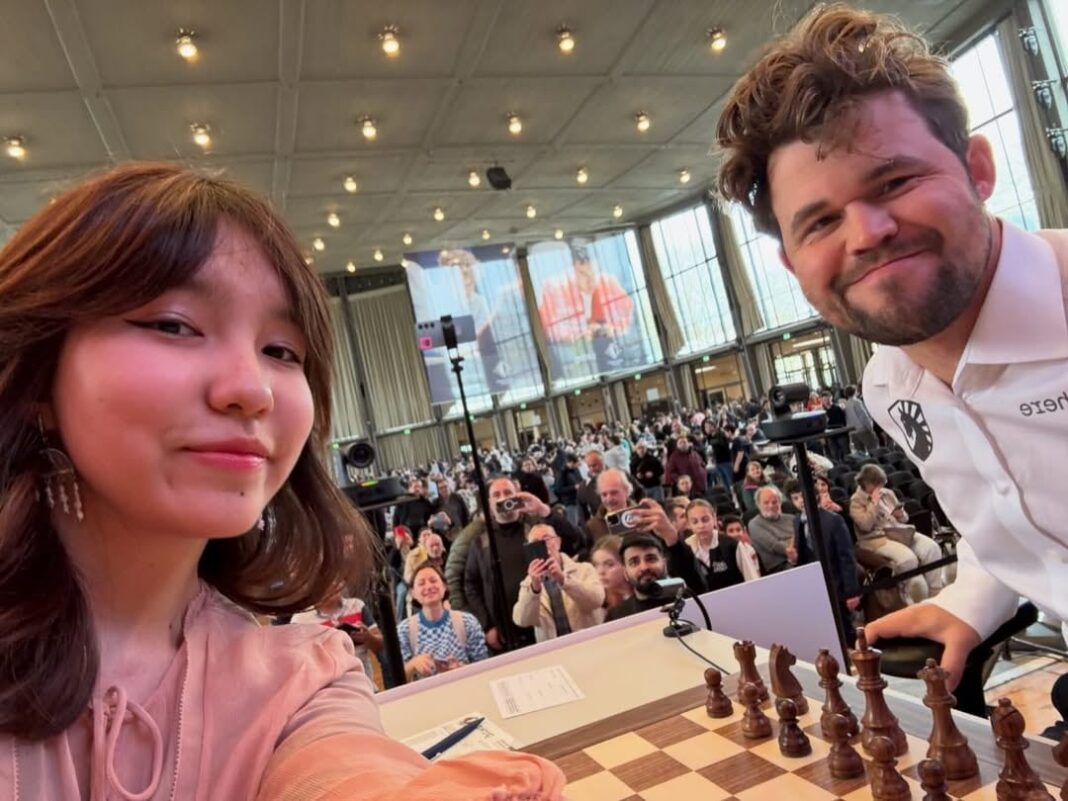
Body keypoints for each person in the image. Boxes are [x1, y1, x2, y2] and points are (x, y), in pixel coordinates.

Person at [0, 163, 563, 799]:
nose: (252, 388)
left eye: (282, 351)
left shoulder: (303, 682)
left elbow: (345, 772)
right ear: (37, 375)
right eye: (173, 324)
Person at [715, 1, 1068, 689]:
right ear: (793, 265)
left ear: (978, 169)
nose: (867, 232)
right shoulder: (890, 386)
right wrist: (972, 600)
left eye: (896, 182)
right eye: (819, 222)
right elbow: (1015, 508)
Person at [463, 476, 583, 651]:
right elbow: (470, 584)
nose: (503, 498)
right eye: (496, 494)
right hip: (506, 634)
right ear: (489, 503)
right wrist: (487, 625)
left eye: (508, 493)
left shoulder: (537, 527)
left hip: (546, 625)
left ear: (518, 496)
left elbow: (576, 540)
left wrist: (542, 509)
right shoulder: (481, 541)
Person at [784, 480, 863, 646]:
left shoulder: (833, 520)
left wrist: (851, 591)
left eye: (803, 496)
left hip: (836, 581)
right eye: (795, 498)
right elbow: (803, 555)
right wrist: (793, 558)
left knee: (844, 626)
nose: (801, 501)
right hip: (814, 583)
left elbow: (846, 557)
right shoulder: (797, 520)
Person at [849, 464, 943, 601]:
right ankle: (909, 598)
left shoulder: (887, 493)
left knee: (931, 548)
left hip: (898, 531)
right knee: (908, 560)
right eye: (877, 485)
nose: (880, 488)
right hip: (876, 539)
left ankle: (935, 594)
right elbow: (865, 526)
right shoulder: (856, 502)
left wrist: (900, 514)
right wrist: (873, 504)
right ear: (866, 484)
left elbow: (905, 519)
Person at [512, 524, 605, 642]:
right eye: (535, 543)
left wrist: (563, 580)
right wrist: (534, 589)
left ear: (558, 542)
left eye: (546, 539)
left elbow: (596, 600)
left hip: (589, 641)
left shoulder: (584, 569)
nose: (543, 546)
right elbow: (522, 620)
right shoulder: (528, 583)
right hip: (554, 650)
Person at [398, 563, 488, 682]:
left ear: (445, 586)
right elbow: (397, 678)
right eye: (421, 583)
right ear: (413, 593)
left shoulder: (467, 622)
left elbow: (484, 668)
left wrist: (460, 669)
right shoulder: (404, 630)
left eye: (433, 580)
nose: (429, 586)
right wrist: (414, 664)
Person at [291, 588, 384, 685]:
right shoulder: (301, 620)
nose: (333, 585)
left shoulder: (357, 606)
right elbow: (298, 662)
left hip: (365, 684)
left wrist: (368, 637)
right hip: (327, 689)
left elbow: (380, 645)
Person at [683, 500, 761, 589]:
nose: (701, 525)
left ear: (714, 519)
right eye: (695, 522)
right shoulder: (686, 549)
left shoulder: (732, 545)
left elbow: (752, 578)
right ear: (688, 524)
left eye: (705, 520)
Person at [747, 486, 798, 574]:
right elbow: (774, 545)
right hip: (779, 566)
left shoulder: (792, 519)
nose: (771, 506)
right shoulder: (754, 524)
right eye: (766, 503)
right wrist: (791, 549)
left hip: (800, 556)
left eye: (774, 502)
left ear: (780, 503)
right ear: (758, 505)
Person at [590, 535, 634, 617]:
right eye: (596, 565)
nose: (600, 571)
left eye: (609, 565)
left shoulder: (644, 596)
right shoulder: (604, 606)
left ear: (626, 563)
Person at [842, 386, 879, 454]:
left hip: (852, 431)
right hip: (862, 429)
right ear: (855, 392)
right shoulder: (857, 402)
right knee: (873, 448)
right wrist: (870, 427)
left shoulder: (846, 404)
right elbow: (863, 416)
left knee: (860, 453)